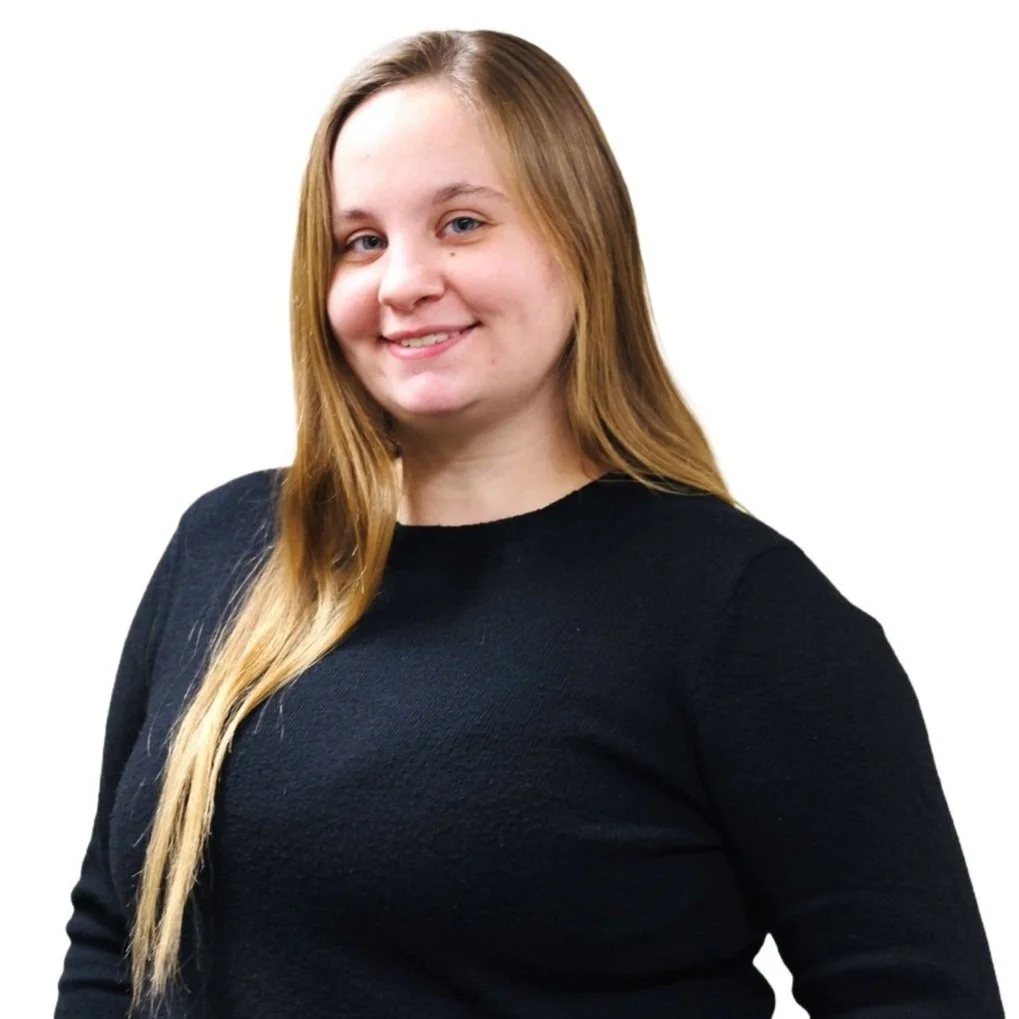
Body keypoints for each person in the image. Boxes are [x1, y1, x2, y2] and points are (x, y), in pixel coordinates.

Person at [54, 28, 1004, 1019]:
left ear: (580, 238)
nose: (401, 281)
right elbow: (113, 937)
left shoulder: (736, 612)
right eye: (361, 240)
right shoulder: (230, 546)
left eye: (461, 223)